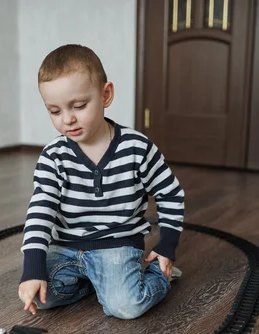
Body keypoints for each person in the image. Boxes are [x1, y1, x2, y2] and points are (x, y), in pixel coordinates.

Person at [18, 44, 185, 320]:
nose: (67, 119)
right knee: (38, 295)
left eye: (79, 106)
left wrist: (167, 244)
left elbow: (170, 194)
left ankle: (159, 275)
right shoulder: (53, 156)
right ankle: (96, 283)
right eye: (54, 111)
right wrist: (33, 267)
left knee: (126, 306)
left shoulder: (137, 148)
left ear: (105, 95)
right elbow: (41, 209)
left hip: (116, 245)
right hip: (65, 247)